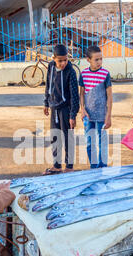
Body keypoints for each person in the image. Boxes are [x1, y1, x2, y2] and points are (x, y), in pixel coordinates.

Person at [43, 44, 80, 174]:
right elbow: (48, 84)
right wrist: (46, 102)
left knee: (68, 137)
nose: (63, 63)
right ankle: (57, 165)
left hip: (66, 109)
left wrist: (72, 114)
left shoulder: (71, 71)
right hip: (54, 107)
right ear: (53, 58)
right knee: (55, 137)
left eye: (65, 60)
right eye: (60, 61)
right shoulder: (51, 66)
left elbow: (75, 94)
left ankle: (69, 167)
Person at [79, 46, 112, 169]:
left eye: (101, 59)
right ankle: (93, 168)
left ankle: (102, 166)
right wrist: (82, 109)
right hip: (88, 116)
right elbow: (81, 94)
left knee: (102, 142)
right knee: (89, 142)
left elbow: (109, 97)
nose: (99, 62)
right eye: (96, 60)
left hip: (102, 115)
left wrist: (108, 116)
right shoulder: (83, 74)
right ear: (88, 59)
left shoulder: (105, 74)